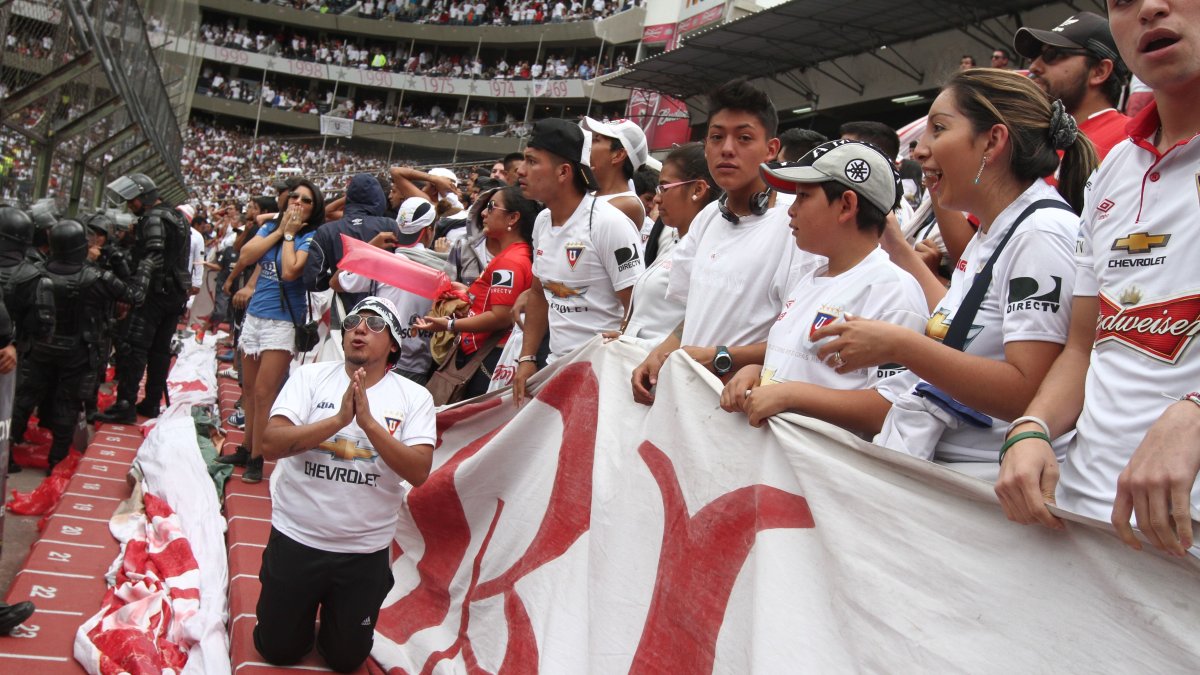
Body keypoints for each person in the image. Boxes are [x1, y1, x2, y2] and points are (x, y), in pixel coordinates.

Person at [808, 69, 1096, 480]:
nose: (920, 150)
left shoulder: (1040, 234)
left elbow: (1029, 392)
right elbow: (959, 322)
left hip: (986, 493)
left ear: (993, 142)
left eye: (938, 129)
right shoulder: (996, 228)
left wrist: (902, 346)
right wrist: (897, 250)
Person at [995, 0, 1200, 557]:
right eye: (1122, 2)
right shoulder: (1113, 169)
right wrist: (1033, 427)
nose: (1149, 8)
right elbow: (1084, 345)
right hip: (1083, 523)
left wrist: (1194, 411)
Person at [254, 296, 434, 673]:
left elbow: (418, 471)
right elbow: (269, 444)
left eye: (375, 324)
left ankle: (337, 623)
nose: (360, 329)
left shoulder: (415, 397)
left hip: (363, 552)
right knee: (278, 651)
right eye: (353, 320)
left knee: (345, 659)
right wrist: (337, 421)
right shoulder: (309, 377)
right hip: (297, 538)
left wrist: (368, 423)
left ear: (394, 345)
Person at [630, 77, 819, 405]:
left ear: (771, 150)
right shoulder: (706, 220)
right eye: (717, 137)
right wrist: (661, 352)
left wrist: (721, 356)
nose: (727, 149)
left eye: (744, 138)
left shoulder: (796, 229)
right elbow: (697, 312)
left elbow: (801, 341)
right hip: (683, 400)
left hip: (741, 414)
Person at [718, 140, 927, 425]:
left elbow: (895, 407)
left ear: (846, 205)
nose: (791, 210)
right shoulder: (810, 279)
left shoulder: (891, 289)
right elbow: (800, 364)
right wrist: (756, 370)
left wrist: (791, 395)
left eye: (803, 196)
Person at [511, 118, 644, 403]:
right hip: (556, 370)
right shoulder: (543, 221)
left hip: (602, 381)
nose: (521, 171)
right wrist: (527, 358)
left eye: (532, 162)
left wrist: (616, 351)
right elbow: (538, 293)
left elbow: (638, 306)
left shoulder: (609, 224)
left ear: (563, 172)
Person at [218, 179, 324, 483]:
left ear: (313, 209)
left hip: (283, 321)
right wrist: (280, 230)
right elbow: (247, 256)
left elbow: (292, 270)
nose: (297, 203)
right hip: (255, 317)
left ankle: (257, 457)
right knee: (248, 390)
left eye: (306, 200)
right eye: (294, 197)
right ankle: (247, 446)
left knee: (265, 393)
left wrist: (289, 235)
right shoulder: (272, 228)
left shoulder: (311, 236)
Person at [10, 221, 136, 472]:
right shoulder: (96, 276)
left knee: (24, 400)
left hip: (39, 348)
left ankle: (8, 454)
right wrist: (121, 264)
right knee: (67, 404)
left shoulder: (34, 272)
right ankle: (56, 461)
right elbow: (133, 295)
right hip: (78, 350)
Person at [415, 186, 539, 398]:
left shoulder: (510, 261)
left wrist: (449, 324)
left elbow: (500, 317)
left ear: (513, 218)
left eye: (491, 207)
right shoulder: (514, 256)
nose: (483, 213)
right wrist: (468, 292)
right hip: (486, 353)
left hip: (487, 356)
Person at [98, 173, 192, 423]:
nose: (130, 204)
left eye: (134, 199)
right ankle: (151, 403)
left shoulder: (153, 218)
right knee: (160, 352)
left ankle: (125, 405)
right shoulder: (177, 216)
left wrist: (136, 290)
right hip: (174, 294)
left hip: (155, 293)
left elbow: (153, 256)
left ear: (145, 197)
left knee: (133, 347)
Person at [611, 142, 716, 347]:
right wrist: (624, 336)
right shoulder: (677, 239)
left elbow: (698, 330)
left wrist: (634, 344)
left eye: (664, 187)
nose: (657, 199)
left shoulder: (708, 251)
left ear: (698, 189)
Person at [333, 196, 438, 384]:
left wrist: (370, 248)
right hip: (420, 364)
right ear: (429, 231)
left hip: (380, 360)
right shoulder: (442, 268)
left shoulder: (382, 263)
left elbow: (336, 282)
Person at [1014, 11, 1131, 159]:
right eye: (1034, 57)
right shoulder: (1038, 142)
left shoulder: (1131, 142)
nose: (1034, 67)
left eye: (1052, 54)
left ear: (1099, 71)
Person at [303, 173, 400, 309]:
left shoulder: (327, 230)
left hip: (345, 313)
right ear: (379, 197)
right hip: (383, 311)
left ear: (348, 198)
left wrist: (338, 280)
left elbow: (313, 281)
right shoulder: (390, 225)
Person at [580, 116, 659, 228]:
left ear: (618, 155)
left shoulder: (628, 205)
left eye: (596, 140)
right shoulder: (592, 194)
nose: (588, 145)